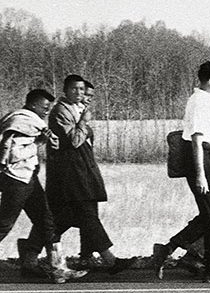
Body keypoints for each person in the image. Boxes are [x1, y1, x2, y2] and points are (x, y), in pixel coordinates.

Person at [24, 76, 132, 275]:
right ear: (65, 91)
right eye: (75, 89)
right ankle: (109, 260)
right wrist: (84, 122)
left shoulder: (76, 109)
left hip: (79, 171)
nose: (80, 94)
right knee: (86, 216)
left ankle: (30, 256)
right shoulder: (61, 111)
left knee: (58, 218)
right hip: (70, 174)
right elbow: (74, 141)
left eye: (82, 90)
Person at [149, 61, 210, 283]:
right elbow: (197, 139)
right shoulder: (199, 101)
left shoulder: (205, 100)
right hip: (203, 158)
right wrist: (200, 173)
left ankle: (168, 249)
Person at [1, 90, 87, 284]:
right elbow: (12, 152)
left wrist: (40, 141)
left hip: (28, 178)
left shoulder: (27, 121)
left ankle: (58, 268)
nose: (47, 111)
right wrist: (39, 142)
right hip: (17, 179)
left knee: (46, 221)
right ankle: (56, 267)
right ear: (32, 105)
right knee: (4, 224)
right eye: (44, 107)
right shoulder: (22, 121)